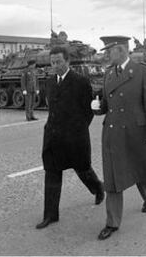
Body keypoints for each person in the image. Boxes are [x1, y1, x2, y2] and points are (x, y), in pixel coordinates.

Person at [92, 36, 146, 240]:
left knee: (139, 171)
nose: (105, 55)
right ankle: (112, 222)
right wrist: (97, 108)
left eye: (109, 51)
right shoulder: (108, 74)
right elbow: (106, 104)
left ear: (121, 50)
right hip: (114, 133)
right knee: (113, 178)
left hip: (136, 132)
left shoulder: (142, 71)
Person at [36, 46, 104, 229]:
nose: (55, 65)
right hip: (52, 137)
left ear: (67, 61)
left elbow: (88, 111)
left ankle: (98, 188)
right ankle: (50, 215)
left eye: (58, 62)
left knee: (83, 170)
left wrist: (77, 130)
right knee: (52, 173)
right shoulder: (50, 82)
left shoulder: (80, 82)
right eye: (52, 62)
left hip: (74, 138)